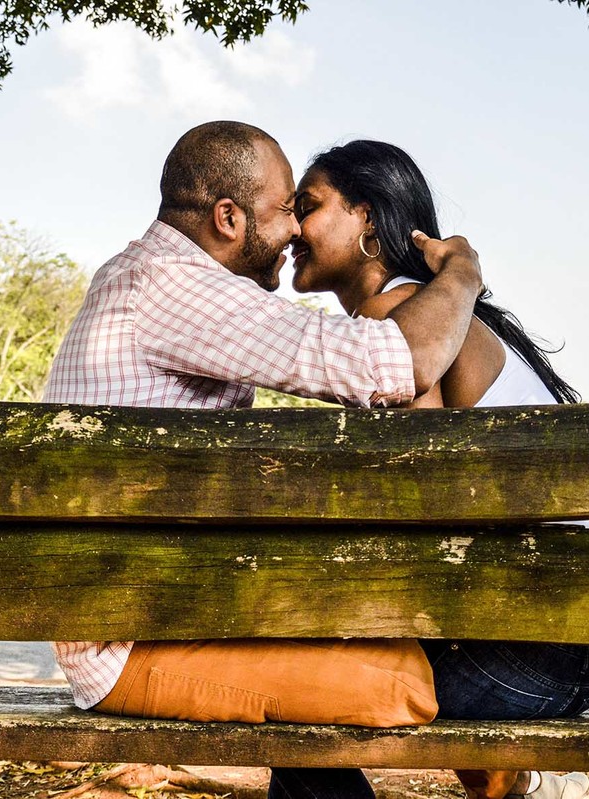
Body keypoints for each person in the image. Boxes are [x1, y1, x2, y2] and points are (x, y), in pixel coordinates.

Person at [42, 120, 487, 767]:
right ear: (228, 217)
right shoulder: (177, 287)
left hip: (162, 605)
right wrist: (466, 273)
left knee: (362, 640)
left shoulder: (141, 276)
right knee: (402, 682)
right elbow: (394, 362)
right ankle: (516, 779)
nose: (296, 230)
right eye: (287, 211)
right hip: (129, 645)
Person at [279, 139, 589, 799]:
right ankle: (520, 783)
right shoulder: (436, 310)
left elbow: (420, 501)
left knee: (295, 684)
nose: (293, 226)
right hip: (568, 645)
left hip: (532, 659)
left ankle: (519, 780)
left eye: (310, 207)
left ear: (369, 220)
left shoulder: (398, 321)